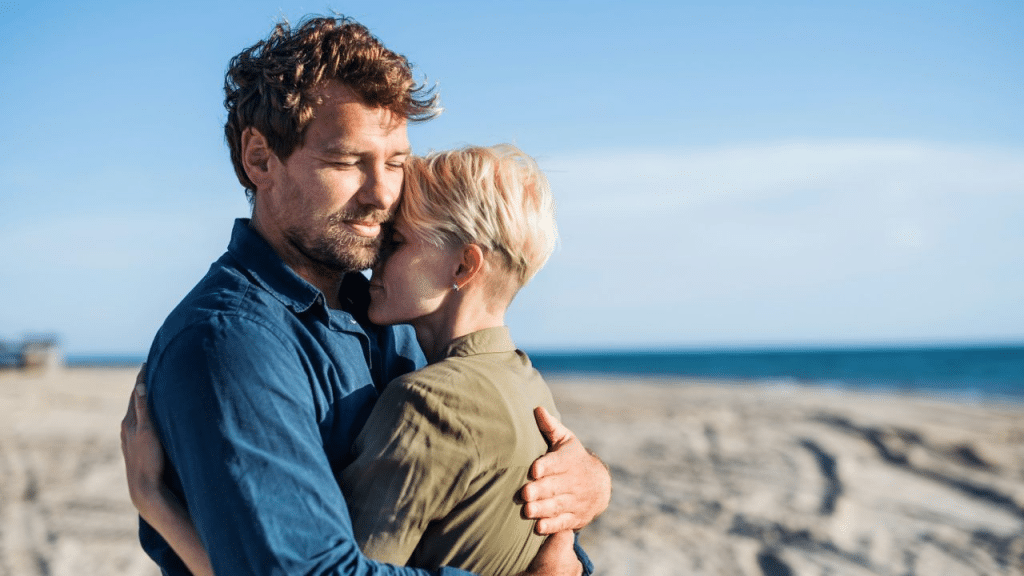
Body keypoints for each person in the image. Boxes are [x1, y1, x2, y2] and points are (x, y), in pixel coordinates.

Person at [123, 15, 610, 576]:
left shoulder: (386, 306)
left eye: (396, 162)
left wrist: (586, 481)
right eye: (347, 162)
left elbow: (476, 483)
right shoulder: (231, 344)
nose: (382, 194)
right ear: (259, 159)